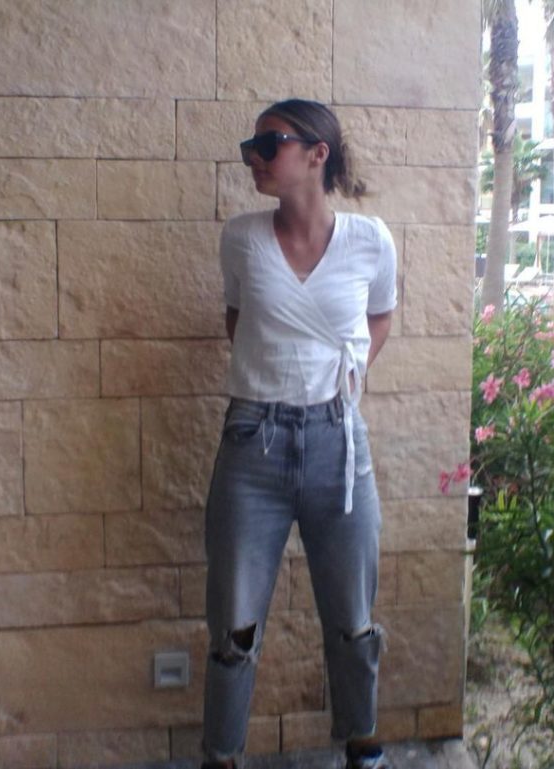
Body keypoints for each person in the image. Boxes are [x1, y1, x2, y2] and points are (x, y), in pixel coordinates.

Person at [201, 99, 397, 769]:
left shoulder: (371, 240)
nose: (253, 157)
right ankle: (222, 755)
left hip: (338, 443)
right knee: (234, 619)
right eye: (250, 146)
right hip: (251, 442)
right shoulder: (241, 238)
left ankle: (362, 742)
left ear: (318, 154)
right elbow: (239, 319)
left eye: (269, 143)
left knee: (353, 613)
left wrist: (348, 373)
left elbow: (380, 316)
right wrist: (276, 374)